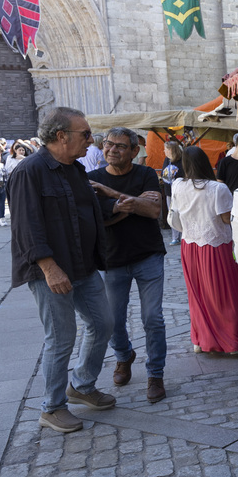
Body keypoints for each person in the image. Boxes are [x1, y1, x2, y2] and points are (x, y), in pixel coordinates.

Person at [10, 107, 116, 434]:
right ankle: (52, 407)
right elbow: (26, 227)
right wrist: (49, 267)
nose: (91, 140)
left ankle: (82, 385)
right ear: (61, 137)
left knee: (103, 323)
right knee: (61, 338)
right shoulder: (30, 171)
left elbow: (87, 213)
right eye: (85, 134)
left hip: (83, 266)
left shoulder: (76, 169)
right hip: (51, 272)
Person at [87, 126, 168, 403]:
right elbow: (98, 219)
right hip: (113, 260)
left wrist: (110, 196)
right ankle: (124, 356)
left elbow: (155, 211)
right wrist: (132, 205)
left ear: (134, 151)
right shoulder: (91, 179)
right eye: (109, 144)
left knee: (153, 318)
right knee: (112, 322)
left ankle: (155, 374)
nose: (112, 149)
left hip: (149, 256)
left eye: (120, 146)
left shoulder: (145, 174)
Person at [169, 146, 238, 355]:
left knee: (198, 295)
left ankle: (200, 339)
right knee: (227, 294)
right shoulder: (217, 189)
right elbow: (226, 218)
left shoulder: (178, 186)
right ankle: (232, 343)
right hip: (217, 246)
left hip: (190, 246)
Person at [161, 141, 183, 246]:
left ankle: (184, 235)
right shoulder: (167, 160)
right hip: (169, 191)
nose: (164, 151)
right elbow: (164, 173)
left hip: (181, 191)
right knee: (172, 214)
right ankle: (175, 237)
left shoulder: (182, 160)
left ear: (170, 150)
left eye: (165, 149)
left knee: (182, 213)